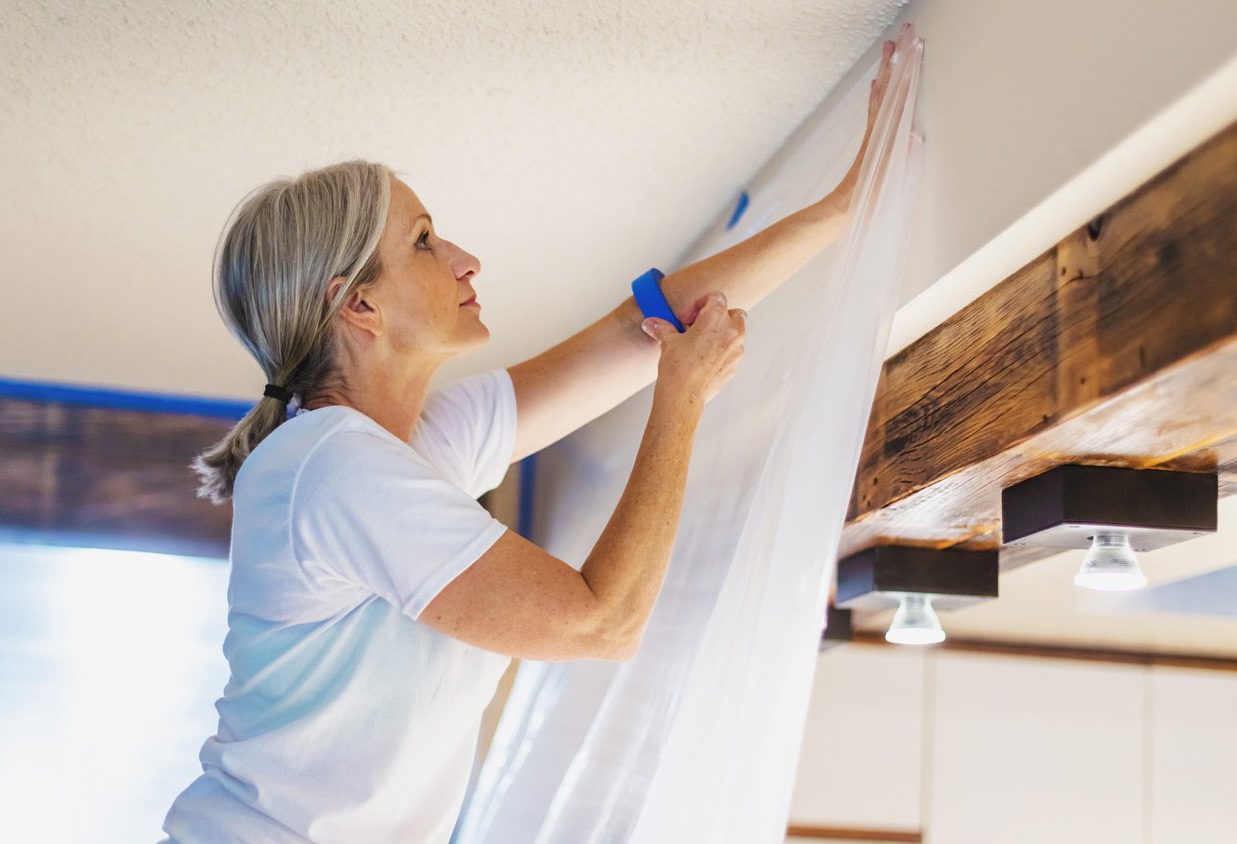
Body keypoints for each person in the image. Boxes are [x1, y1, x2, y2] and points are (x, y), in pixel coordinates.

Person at [160, 37, 898, 844]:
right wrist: (681, 402)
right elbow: (600, 623)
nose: (465, 259)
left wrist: (839, 207)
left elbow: (636, 331)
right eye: (424, 242)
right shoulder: (332, 465)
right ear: (358, 306)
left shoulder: (407, 447)